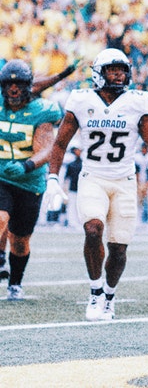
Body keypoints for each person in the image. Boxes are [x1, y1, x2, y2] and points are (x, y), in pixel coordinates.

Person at [45, 48, 148, 320]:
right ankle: (95, 291)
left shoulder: (138, 101)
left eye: (123, 70)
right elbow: (60, 143)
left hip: (124, 180)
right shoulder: (80, 99)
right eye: (113, 69)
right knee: (92, 229)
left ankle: (110, 297)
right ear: (99, 73)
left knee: (119, 247)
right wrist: (53, 178)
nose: (119, 75)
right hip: (93, 177)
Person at [0, 60, 63, 300]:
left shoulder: (43, 109)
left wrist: (27, 165)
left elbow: (48, 148)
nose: (13, 90)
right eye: (8, 85)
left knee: (20, 241)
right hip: (1, 175)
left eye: (18, 85)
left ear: (29, 87)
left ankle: (15, 283)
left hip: (29, 181)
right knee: (0, 217)